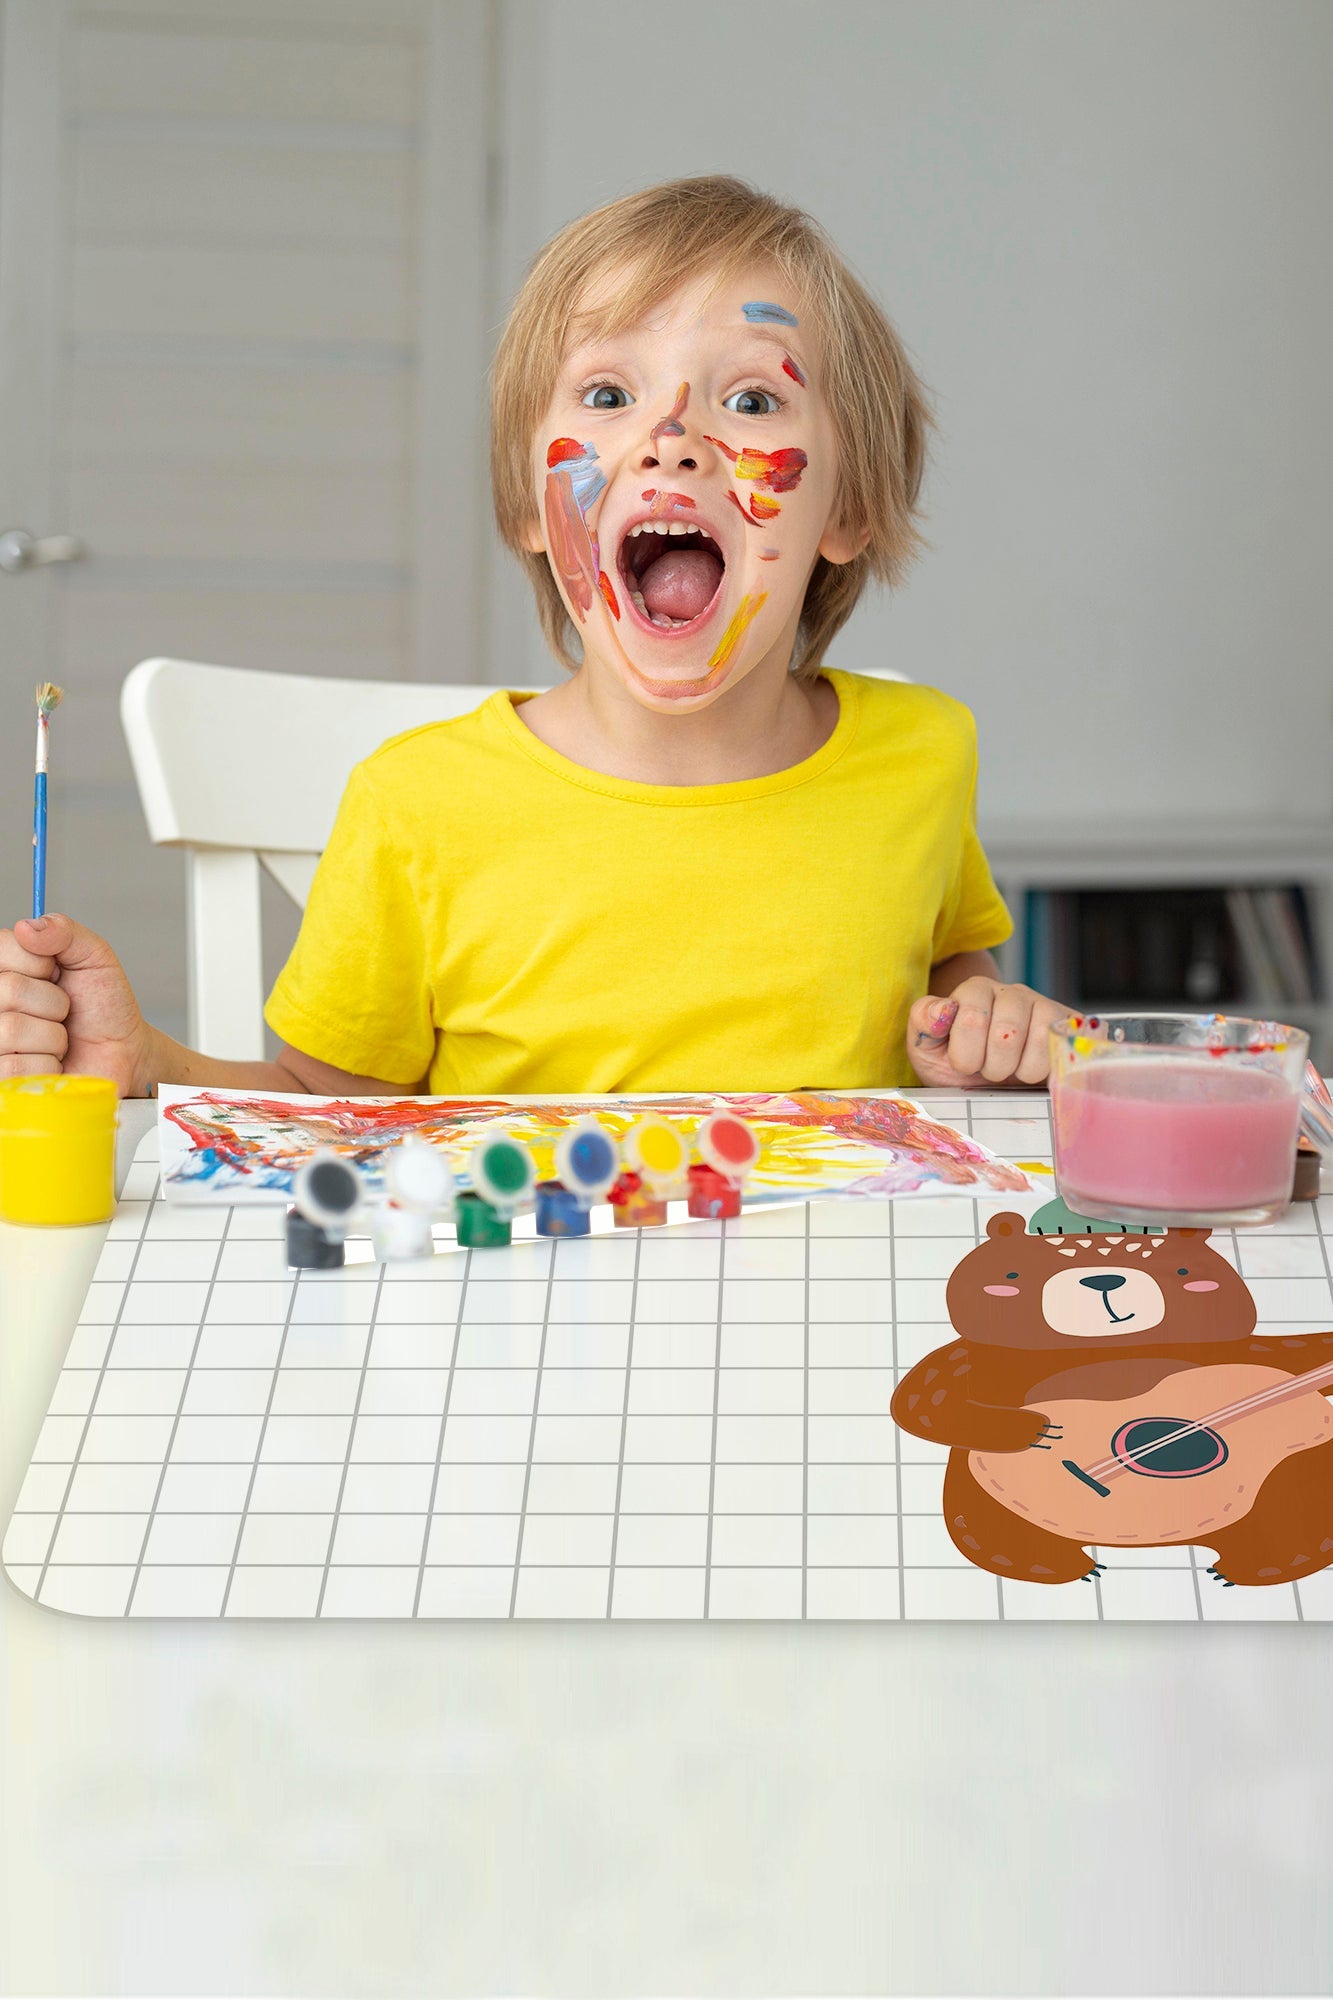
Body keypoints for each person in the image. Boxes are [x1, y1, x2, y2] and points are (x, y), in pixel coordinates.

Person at [0, 176, 1065, 1100]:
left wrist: (983, 1020)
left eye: (749, 396)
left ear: (847, 507)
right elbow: (316, 1105)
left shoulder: (922, 753)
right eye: (607, 392)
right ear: (529, 504)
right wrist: (139, 1059)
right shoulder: (417, 806)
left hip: (817, 1314)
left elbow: (944, 972)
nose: (672, 439)